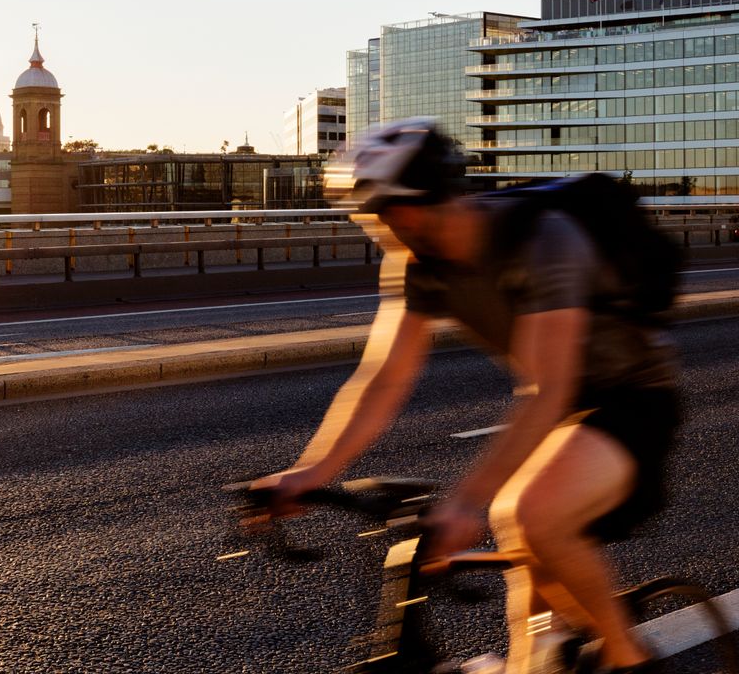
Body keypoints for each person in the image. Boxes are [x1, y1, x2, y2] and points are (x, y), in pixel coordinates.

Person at [253, 118, 680, 674]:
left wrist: (465, 503)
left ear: (423, 200)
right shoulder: (416, 264)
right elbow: (385, 377)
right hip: (567, 413)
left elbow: (548, 388)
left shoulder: (541, 239)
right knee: (530, 617)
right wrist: (311, 472)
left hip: (633, 399)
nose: (370, 224)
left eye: (379, 210)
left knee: (528, 514)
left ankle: (631, 659)